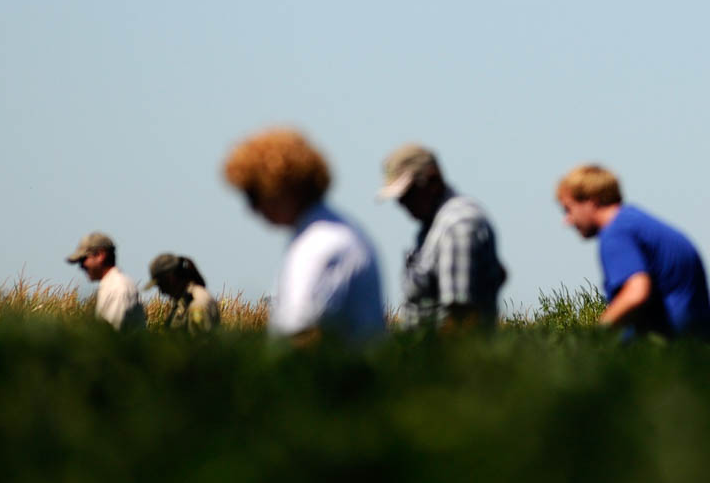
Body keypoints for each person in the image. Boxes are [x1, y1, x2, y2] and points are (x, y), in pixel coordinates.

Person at [223, 127, 386, 343]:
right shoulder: (334, 231)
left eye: (253, 195)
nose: (251, 209)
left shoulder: (319, 245)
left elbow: (304, 336)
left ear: (279, 187)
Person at [556, 163, 710, 343]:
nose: (567, 221)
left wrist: (594, 336)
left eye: (569, 209)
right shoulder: (637, 223)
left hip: (671, 357)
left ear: (591, 201)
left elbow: (637, 291)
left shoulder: (616, 233)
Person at [378, 143, 508, 330]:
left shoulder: (457, 226)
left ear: (432, 180)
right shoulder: (434, 225)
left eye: (408, 193)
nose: (401, 203)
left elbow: (461, 319)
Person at [66, 231, 147, 331]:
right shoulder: (112, 285)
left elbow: (111, 336)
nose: (81, 266)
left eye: (83, 260)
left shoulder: (118, 287)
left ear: (100, 255)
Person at [144, 253, 221, 333]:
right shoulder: (182, 302)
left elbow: (202, 342)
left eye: (161, 285)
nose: (162, 292)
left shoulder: (197, 303)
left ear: (171, 279)